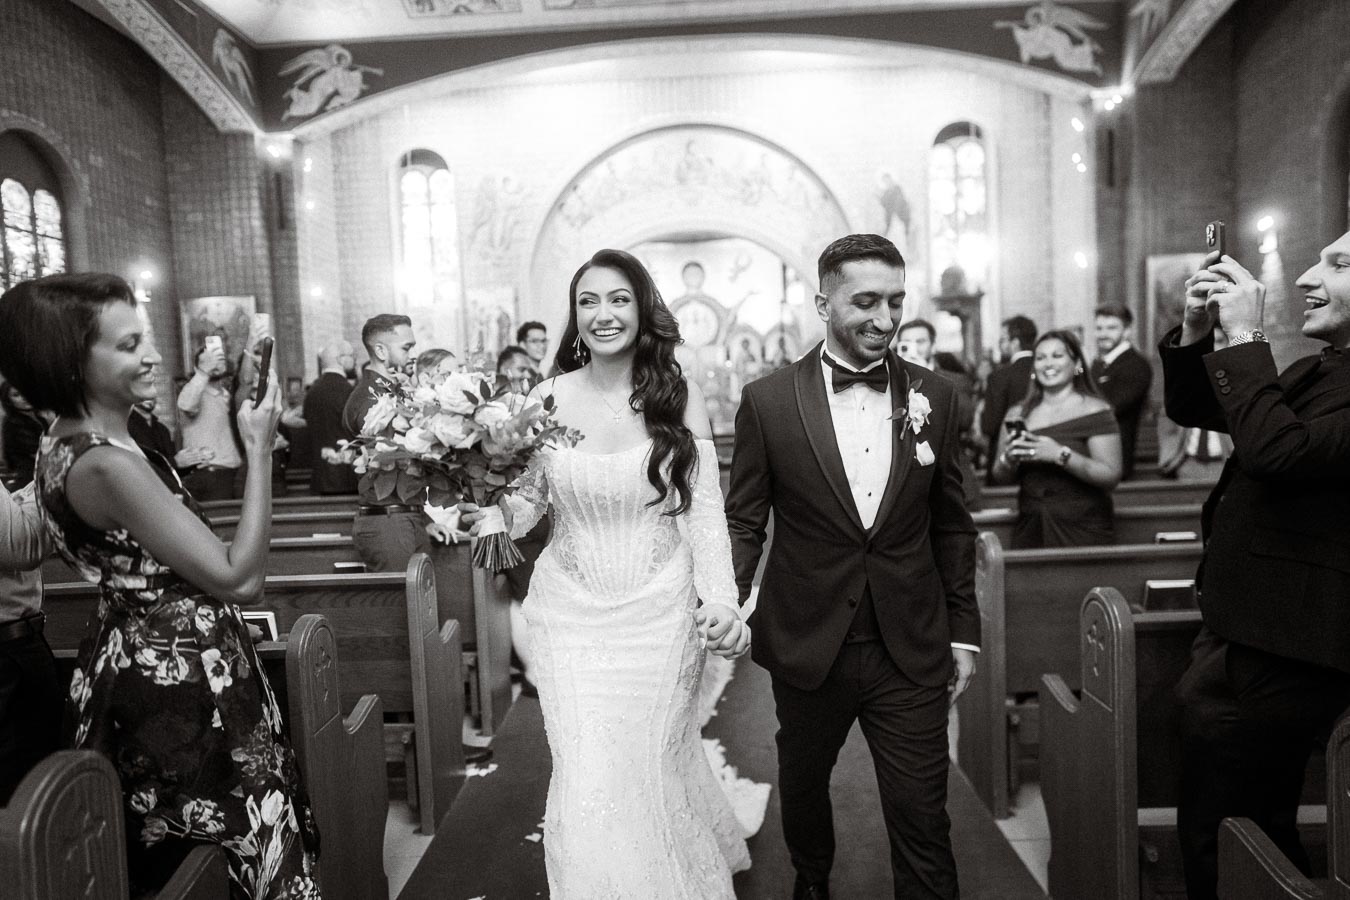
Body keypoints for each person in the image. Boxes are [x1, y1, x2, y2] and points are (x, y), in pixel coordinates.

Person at [0, 273, 319, 899]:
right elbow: (242, 577)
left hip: (140, 653)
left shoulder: (65, 440)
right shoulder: (107, 462)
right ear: (68, 362)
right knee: (227, 851)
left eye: (142, 338)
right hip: (180, 682)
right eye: (126, 346)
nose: (151, 355)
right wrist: (258, 448)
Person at [462, 248, 753, 898]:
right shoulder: (546, 399)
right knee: (586, 772)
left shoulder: (679, 394)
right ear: (574, 315)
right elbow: (529, 503)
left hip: (660, 613)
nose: (603, 313)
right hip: (568, 615)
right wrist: (483, 516)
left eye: (618, 298)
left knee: (647, 765)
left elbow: (704, 515)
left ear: (642, 308)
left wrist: (724, 602)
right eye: (588, 301)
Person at [726, 233, 979, 900]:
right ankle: (812, 878)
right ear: (823, 303)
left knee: (924, 815)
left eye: (895, 302)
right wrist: (728, 599)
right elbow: (744, 518)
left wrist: (964, 632)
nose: (885, 319)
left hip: (910, 644)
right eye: (865, 302)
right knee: (805, 787)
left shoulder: (939, 396)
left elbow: (953, 524)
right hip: (809, 642)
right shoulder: (768, 401)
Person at [1164, 233, 1350, 900]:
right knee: (1246, 819)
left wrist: (1246, 334)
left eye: (1339, 263)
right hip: (1254, 624)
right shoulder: (1323, 367)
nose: (1306, 274)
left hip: (1290, 638)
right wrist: (1196, 335)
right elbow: (1203, 408)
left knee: (1230, 822)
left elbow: (1278, 452)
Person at [989, 330, 1122, 548]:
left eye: (1057, 356)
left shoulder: (1096, 410)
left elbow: (1110, 475)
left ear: (1077, 363)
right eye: (1040, 358)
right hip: (1031, 523)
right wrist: (1008, 459)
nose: (1048, 364)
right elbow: (999, 476)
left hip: (1083, 525)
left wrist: (1060, 455)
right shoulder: (1017, 413)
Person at [342, 314, 429, 572]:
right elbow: (388, 458)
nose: (413, 354)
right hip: (388, 518)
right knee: (407, 607)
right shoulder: (370, 396)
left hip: (405, 513)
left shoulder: (392, 390)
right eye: (406, 347)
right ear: (380, 350)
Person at [0, 479, 60, 805]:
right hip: (8, 654)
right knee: (25, 795)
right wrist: (51, 476)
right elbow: (24, 545)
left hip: (13, 648)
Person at [1091, 303, 1153, 479]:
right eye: (1099, 328)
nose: (1103, 334)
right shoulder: (1097, 365)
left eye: (1111, 328)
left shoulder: (1136, 365)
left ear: (1127, 331)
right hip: (1092, 457)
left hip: (1115, 460)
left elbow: (1111, 410)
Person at [177, 342, 243, 501]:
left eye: (219, 359)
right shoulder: (194, 391)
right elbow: (186, 404)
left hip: (232, 474)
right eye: (208, 360)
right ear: (197, 368)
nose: (214, 364)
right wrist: (203, 373)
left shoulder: (227, 396)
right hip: (210, 474)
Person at [303, 340, 359, 495]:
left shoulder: (312, 392)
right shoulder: (349, 391)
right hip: (349, 478)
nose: (355, 360)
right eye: (352, 356)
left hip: (320, 478)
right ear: (341, 360)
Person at [980, 315, 1037, 465]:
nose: (1000, 345)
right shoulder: (1041, 370)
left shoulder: (999, 377)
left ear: (1015, 342)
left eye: (1003, 340)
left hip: (1006, 456)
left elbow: (990, 426)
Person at [1, 383, 45, 489]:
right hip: (30, 480)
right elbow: (39, 452)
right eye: (16, 395)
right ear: (8, 400)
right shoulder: (13, 422)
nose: (24, 397)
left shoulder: (38, 416)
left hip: (41, 474)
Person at [127, 395, 177, 464]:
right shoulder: (127, 426)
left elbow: (171, 455)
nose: (149, 398)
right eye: (144, 394)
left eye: (152, 396)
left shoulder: (162, 428)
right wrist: (174, 462)